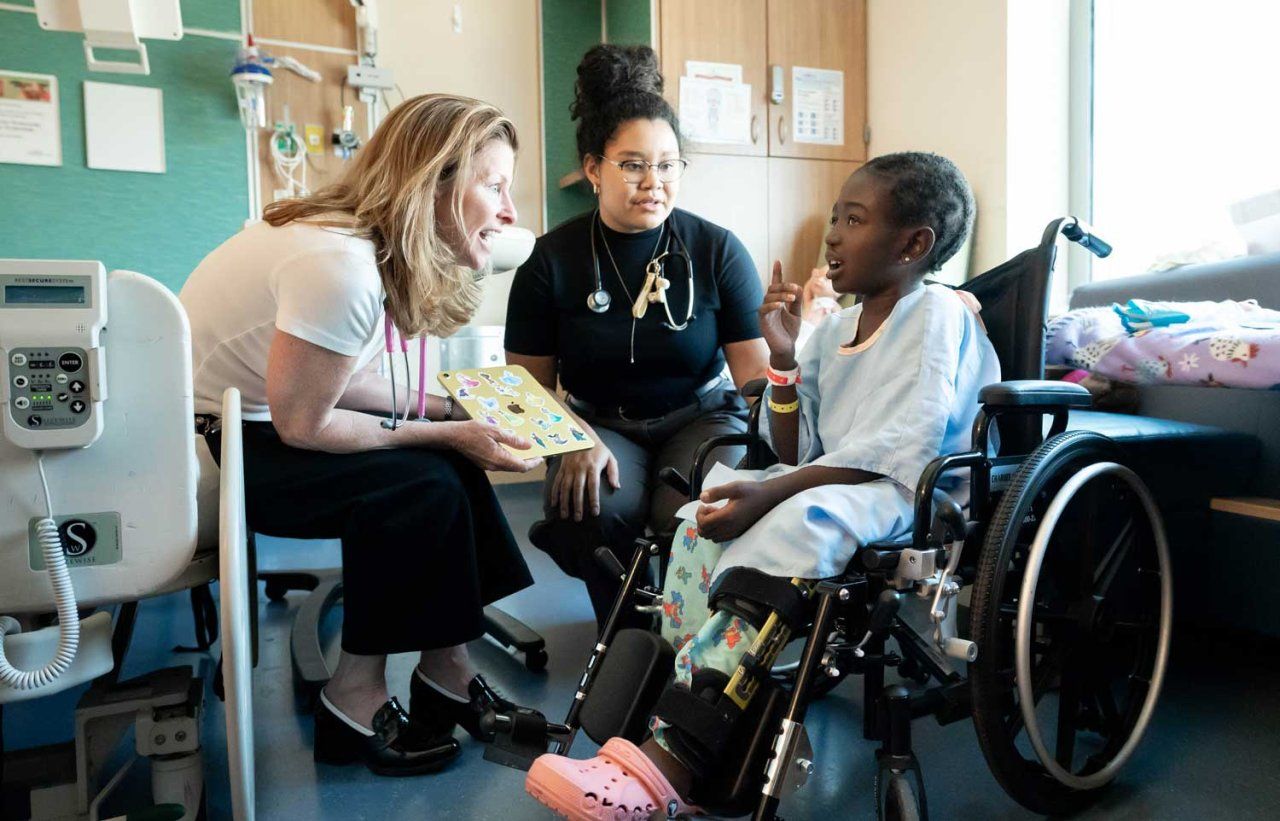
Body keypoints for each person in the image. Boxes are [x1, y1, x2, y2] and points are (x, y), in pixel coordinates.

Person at [524, 152, 999, 815]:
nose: (832, 233)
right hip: (834, 481)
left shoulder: (936, 316)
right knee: (699, 515)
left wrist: (775, 491)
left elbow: (902, 447)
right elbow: (793, 446)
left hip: (906, 491)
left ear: (914, 244)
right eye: (835, 216)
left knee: (788, 521)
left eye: (853, 219)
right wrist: (781, 360)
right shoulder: (833, 328)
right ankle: (656, 724)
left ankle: (669, 767)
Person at [180, 94, 542, 777]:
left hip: (251, 422)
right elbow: (306, 421)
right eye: (493, 185)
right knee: (420, 483)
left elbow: (328, 379)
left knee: (449, 461)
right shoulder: (339, 267)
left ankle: (447, 668)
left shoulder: (354, 246)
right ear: (431, 180)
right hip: (206, 453)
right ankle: (353, 697)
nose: (509, 211)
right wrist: (440, 434)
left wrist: (446, 409)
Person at [504, 45, 769, 632]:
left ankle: (688, 640)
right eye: (632, 165)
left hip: (699, 415)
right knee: (587, 503)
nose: (654, 182)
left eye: (668, 165)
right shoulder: (550, 261)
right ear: (594, 168)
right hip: (600, 422)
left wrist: (790, 360)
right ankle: (622, 636)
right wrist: (571, 439)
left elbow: (753, 379)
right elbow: (525, 389)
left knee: (700, 510)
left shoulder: (716, 250)